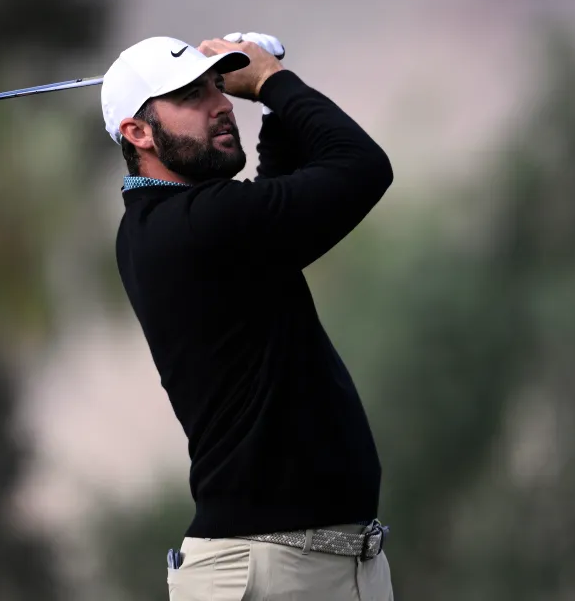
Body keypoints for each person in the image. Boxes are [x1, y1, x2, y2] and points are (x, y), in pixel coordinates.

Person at [101, 32, 395, 600]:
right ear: (137, 132)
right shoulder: (194, 226)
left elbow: (272, 203)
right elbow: (362, 167)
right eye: (190, 96)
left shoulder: (173, 225)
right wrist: (272, 82)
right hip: (266, 575)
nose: (219, 104)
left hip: (325, 568)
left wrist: (272, 109)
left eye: (218, 86)